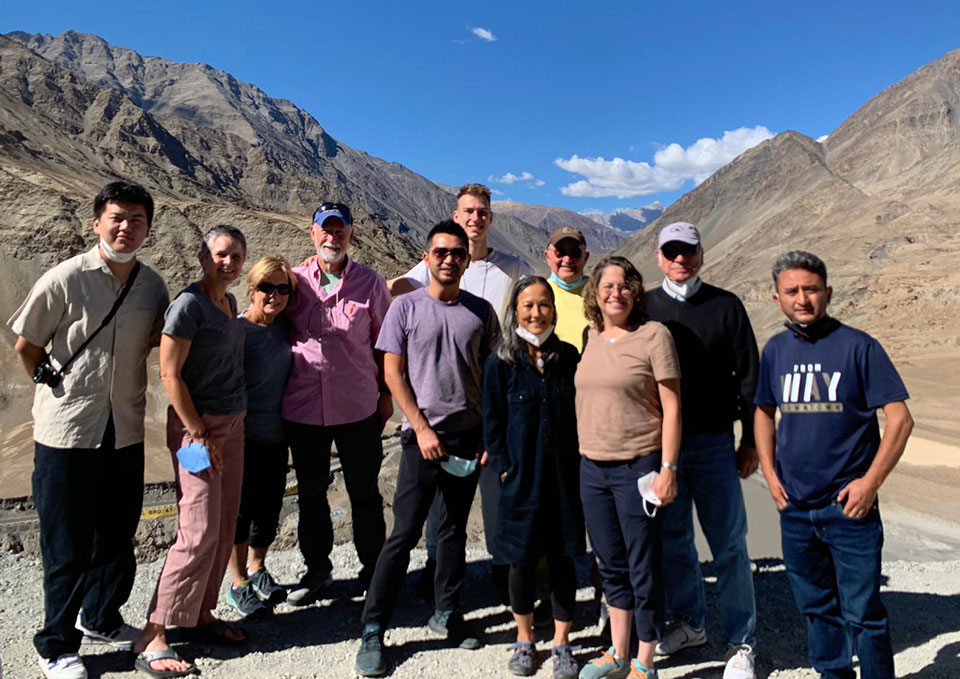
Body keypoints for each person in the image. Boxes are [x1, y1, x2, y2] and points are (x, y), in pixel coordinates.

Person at [10, 182, 168, 679]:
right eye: (117, 217)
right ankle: (56, 645)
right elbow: (26, 345)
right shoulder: (65, 278)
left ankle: (100, 618)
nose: (126, 227)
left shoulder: (152, 286)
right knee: (66, 543)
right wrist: (56, 389)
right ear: (97, 221)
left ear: (149, 227)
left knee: (118, 538)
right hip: (66, 434)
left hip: (124, 430)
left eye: (137, 219)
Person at [754, 251, 913, 679]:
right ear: (777, 298)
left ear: (828, 292)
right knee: (817, 609)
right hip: (796, 509)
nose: (802, 299)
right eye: (792, 291)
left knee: (864, 612)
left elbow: (900, 420)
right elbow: (763, 411)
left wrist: (870, 484)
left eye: (811, 289)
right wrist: (770, 475)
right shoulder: (776, 350)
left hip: (850, 509)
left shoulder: (859, 347)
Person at [355, 220, 501, 677]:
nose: (449, 259)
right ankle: (374, 628)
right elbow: (393, 374)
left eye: (458, 252)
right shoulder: (405, 308)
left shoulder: (481, 313)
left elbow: (492, 377)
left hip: (466, 438)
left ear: (466, 258)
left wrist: (487, 438)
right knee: (404, 533)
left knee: (454, 529)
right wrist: (420, 428)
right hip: (422, 439)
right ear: (428, 255)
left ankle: (447, 614)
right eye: (441, 251)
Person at [389, 183, 528, 603]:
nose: (475, 218)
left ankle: (504, 570)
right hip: (440, 399)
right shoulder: (437, 262)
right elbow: (397, 289)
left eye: (483, 211)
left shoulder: (511, 267)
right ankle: (438, 572)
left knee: (497, 486)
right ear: (457, 213)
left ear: (491, 217)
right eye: (468, 210)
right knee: (440, 501)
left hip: (492, 393)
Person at [133, 225, 248, 677]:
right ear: (203, 255)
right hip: (194, 434)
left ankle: (199, 614)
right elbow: (169, 374)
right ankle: (154, 632)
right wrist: (198, 432)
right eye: (222, 254)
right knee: (197, 528)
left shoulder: (229, 303)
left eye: (237, 256)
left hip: (233, 427)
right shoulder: (188, 305)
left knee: (223, 524)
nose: (229, 262)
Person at [645, 222, 759, 679]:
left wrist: (749, 439)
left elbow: (750, 377)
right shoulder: (646, 306)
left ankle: (741, 643)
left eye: (687, 251)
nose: (680, 259)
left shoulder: (726, 306)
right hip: (661, 447)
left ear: (701, 255)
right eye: (671, 251)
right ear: (659, 257)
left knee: (729, 544)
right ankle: (690, 623)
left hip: (714, 442)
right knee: (674, 541)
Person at [575, 256, 681, 679]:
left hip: (638, 466)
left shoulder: (655, 336)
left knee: (643, 564)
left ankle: (646, 660)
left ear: (636, 291)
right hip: (592, 467)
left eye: (623, 285)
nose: (615, 292)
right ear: (595, 294)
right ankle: (618, 652)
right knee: (610, 564)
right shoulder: (592, 335)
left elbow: (672, 405)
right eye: (607, 285)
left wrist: (668, 467)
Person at [282, 202, 392, 604]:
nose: (332, 237)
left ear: (351, 234)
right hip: (303, 408)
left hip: (357, 408)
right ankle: (317, 570)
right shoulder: (293, 282)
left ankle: (373, 570)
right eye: (325, 230)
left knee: (364, 492)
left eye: (340, 229)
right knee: (311, 493)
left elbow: (386, 344)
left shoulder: (370, 283)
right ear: (312, 234)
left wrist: (385, 395)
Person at [483, 276, 585, 679]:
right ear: (515, 312)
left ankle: (562, 643)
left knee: (562, 558)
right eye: (528, 306)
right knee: (521, 561)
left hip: (563, 477)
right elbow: (493, 424)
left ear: (554, 311)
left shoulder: (569, 358)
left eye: (543, 305)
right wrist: (506, 467)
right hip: (520, 479)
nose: (536, 313)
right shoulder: (501, 362)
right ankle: (525, 638)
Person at [225, 256, 298, 618]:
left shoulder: (286, 326)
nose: (275, 295)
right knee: (241, 511)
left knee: (268, 509)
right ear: (251, 290)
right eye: (267, 287)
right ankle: (238, 583)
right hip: (242, 437)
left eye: (283, 288)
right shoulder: (238, 332)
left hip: (277, 435)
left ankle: (257, 567)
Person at [544, 226, 591, 351]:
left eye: (575, 253)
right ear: (547, 256)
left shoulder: (601, 295)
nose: (567, 259)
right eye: (560, 252)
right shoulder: (538, 295)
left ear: (585, 257)